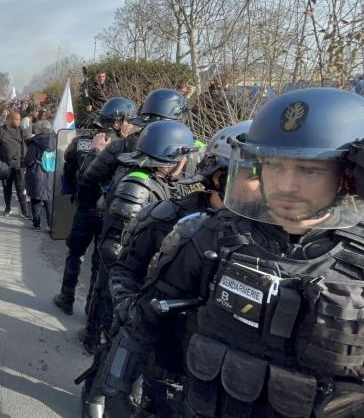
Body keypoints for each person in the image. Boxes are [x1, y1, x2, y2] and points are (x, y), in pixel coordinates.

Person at [99, 88, 364, 418]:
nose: (286, 185)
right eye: (274, 166)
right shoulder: (215, 235)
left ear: (348, 175)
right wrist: (116, 393)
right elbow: (146, 318)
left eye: (309, 170)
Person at [86, 121, 251, 417]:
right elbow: (120, 261)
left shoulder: (262, 240)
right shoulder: (172, 216)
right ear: (220, 176)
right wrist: (128, 308)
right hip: (162, 355)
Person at [86, 120, 197, 354]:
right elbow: (117, 243)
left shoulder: (158, 181)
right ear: (170, 159)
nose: (186, 163)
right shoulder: (138, 185)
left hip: (135, 274)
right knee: (112, 336)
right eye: (183, 157)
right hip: (127, 274)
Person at [54, 97, 137, 315]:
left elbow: (69, 172)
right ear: (119, 122)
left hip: (85, 207)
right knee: (100, 264)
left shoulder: (80, 141)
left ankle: (66, 297)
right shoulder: (128, 148)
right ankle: (91, 312)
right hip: (111, 214)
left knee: (75, 253)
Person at [80, 88, 186, 190]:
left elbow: (88, 179)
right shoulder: (188, 151)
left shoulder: (119, 145)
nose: (130, 125)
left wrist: (94, 151)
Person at [0, 111, 30, 218]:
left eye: (19, 119)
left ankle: (24, 212)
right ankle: (7, 208)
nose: (19, 122)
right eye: (16, 119)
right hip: (5, 166)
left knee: (21, 189)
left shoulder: (22, 132)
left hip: (19, 166)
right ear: (9, 120)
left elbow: (27, 146)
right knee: (7, 189)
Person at [24, 120, 56, 231]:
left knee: (36, 199)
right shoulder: (56, 140)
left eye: (36, 129)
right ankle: (51, 225)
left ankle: (36, 224)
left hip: (37, 174)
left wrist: (25, 164)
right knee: (49, 200)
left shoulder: (35, 142)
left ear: (40, 130)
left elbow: (29, 160)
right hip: (51, 174)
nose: (34, 131)